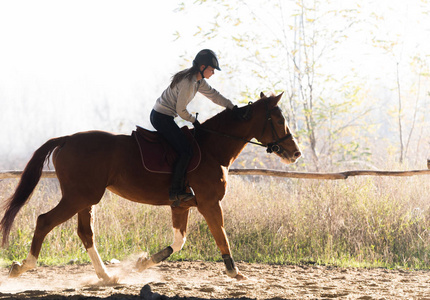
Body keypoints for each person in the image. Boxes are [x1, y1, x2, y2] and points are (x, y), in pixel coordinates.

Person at [150, 49, 235, 205]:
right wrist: (194, 121)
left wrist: (231, 106)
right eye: (212, 69)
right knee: (186, 150)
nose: (213, 73)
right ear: (202, 67)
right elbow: (181, 110)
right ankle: (175, 191)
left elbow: (214, 95)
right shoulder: (189, 83)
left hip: (165, 116)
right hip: (161, 118)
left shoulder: (198, 81)